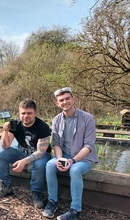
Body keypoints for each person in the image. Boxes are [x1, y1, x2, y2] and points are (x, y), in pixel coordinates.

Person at [42, 87, 98, 220]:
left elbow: (89, 146)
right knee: (50, 165)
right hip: (64, 155)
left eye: (67, 98)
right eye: (61, 100)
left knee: (74, 170)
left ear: (73, 99)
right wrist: (60, 160)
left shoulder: (87, 118)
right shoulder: (56, 120)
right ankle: (52, 202)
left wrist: (72, 160)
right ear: (57, 103)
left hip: (84, 158)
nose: (65, 102)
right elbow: (57, 144)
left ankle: (75, 210)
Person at [0, 99, 51, 209]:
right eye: (23, 113)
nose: (26, 116)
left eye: (29, 113)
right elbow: (5, 146)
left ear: (35, 113)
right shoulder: (16, 124)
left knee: (38, 164)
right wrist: (5, 131)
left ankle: (36, 192)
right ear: (19, 113)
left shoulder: (42, 127)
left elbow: (40, 152)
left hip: (41, 155)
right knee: (1, 153)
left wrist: (24, 162)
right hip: (22, 152)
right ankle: (6, 185)